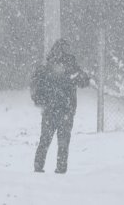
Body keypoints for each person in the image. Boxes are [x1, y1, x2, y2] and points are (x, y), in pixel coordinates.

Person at [31, 39, 89, 174]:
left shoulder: (46, 67)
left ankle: (38, 166)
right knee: (63, 142)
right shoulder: (71, 67)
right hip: (66, 110)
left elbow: (37, 88)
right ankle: (61, 169)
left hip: (49, 110)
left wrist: (42, 102)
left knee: (45, 140)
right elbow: (84, 81)